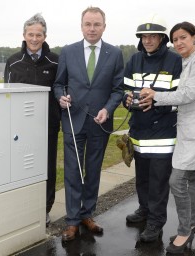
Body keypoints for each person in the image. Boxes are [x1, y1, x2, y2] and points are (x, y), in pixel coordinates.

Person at [140, 21, 195, 253]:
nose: (178, 43)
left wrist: (155, 94)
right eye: (175, 39)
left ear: (194, 37)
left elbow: (187, 94)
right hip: (189, 129)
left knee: (177, 181)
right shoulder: (187, 61)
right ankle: (193, 223)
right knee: (194, 178)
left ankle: (184, 230)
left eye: (183, 38)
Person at [53, 6, 124, 242]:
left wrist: (108, 109)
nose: (92, 29)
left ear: (104, 26)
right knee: (73, 172)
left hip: (99, 122)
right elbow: (59, 84)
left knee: (93, 171)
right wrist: (60, 98)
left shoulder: (114, 54)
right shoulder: (68, 52)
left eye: (97, 24)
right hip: (74, 121)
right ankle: (72, 221)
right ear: (81, 25)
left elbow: (117, 90)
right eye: (88, 24)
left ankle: (87, 214)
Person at [123, 13, 182, 242]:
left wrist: (156, 100)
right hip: (139, 132)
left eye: (153, 36)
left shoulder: (175, 61)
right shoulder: (134, 60)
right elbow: (124, 90)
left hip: (163, 133)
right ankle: (144, 210)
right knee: (143, 179)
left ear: (162, 39)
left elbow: (180, 96)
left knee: (158, 182)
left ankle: (156, 223)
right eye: (144, 36)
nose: (147, 40)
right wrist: (126, 100)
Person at [4, 13, 60, 226]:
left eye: (38, 35)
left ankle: (45, 208)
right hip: (20, 128)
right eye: (30, 34)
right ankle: (21, 208)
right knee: (20, 166)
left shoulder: (55, 61)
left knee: (47, 167)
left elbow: (61, 89)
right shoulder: (13, 62)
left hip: (48, 125)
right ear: (24, 35)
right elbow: (6, 95)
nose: (34, 39)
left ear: (45, 36)